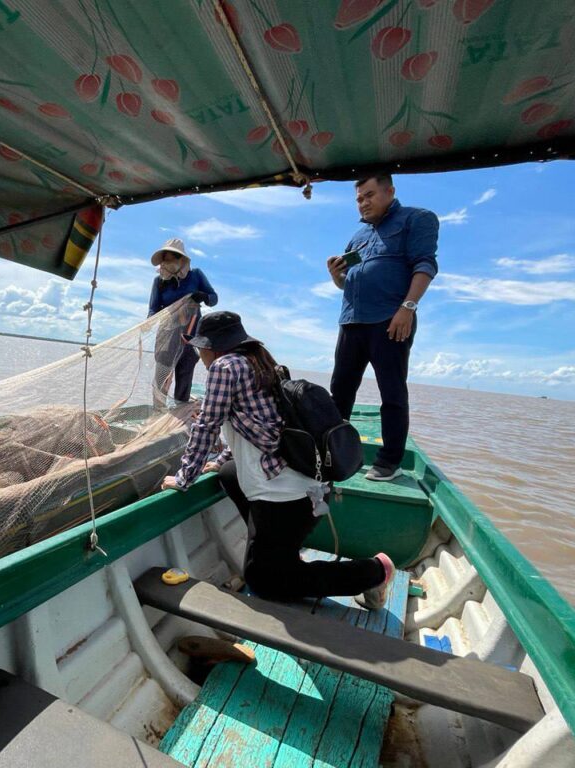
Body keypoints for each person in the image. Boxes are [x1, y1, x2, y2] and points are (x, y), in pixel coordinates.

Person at [161, 311, 395, 607]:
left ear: (213, 347)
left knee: (264, 582)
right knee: (228, 473)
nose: (200, 356)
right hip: (308, 489)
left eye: (200, 348)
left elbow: (207, 426)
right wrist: (220, 460)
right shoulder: (262, 362)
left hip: (285, 498)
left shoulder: (224, 366)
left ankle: (375, 571)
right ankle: (282, 550)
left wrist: (184, 478)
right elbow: (256, 426)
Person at [326, 173, 438, 482]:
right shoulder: (358, 236)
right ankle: (334, 454)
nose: (363, 203)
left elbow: (425, 264)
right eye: (359, 198)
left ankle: (389, 462)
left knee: (392, 393)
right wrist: (336, 277)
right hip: (351, 322)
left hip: (391, 320)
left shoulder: (416, 219)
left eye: (370, 195)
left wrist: (408, 308)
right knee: (340, 392)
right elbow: (348, 283)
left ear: (390, 191)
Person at [148, 237, 218, 405]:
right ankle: (158, 409)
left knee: (185, 372)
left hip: (190, 335)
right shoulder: (159, 281)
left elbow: (214, 298)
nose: (167, 262)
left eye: (171, 258)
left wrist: (203, 296)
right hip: (167, 335)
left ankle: (181, 410)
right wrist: (148, 323)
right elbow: (153, 309)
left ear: (181, 259)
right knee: (162, 375)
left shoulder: (196, 275)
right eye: (164, 259)